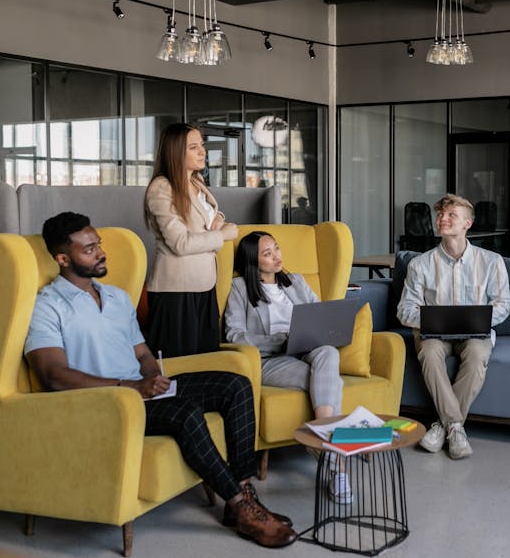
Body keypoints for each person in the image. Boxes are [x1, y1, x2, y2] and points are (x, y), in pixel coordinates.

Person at [23, 212, 297, 548]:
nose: (101, 252)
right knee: (184, 412)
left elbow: (142, 354)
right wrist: (132, 388)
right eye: (89, 249)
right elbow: (53, 375)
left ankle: (242, 492)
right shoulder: (48, 306)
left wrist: (153, 376)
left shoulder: (116, 298)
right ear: (63, 259)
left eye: (99, 244)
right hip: (104, 403)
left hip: (141, 390)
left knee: (235, 384)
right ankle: (242, 507)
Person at [224, 230, 351, 504]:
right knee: (327, 380)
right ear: (252, 261)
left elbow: (320, 313)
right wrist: (278, 340)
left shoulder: (296, 281)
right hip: (271, 359)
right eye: (267, 254)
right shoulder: (239, 288)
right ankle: (338, 467)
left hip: (308, 347)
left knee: (328, 353)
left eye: (277, 249)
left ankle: (320, 433)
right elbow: (234, 335)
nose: (276, 257)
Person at [397, 193, 510, 459]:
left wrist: (479, 320)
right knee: (428, 350)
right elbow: (405, 309)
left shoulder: (492, 262)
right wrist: (430, 319)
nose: (443, 219)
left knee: (478, 354)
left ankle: (442, 425)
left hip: (475, 333)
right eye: (440, 215)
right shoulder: (420, 264)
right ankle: (456, 428)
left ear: (467, 224)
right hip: (434, 333)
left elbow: (503, 304)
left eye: (451, 215)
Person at [144, 122, 238, 357]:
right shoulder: (161, 187)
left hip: (204, 284)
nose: (202, 152)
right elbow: (180, 243)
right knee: (179, 367)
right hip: (176, 290)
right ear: (175, 152)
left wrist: (218, 218)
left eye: (202, 145)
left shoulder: (196, 181)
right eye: (193, 147)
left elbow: (203, 215)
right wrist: (222, 235)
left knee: (205, 360)